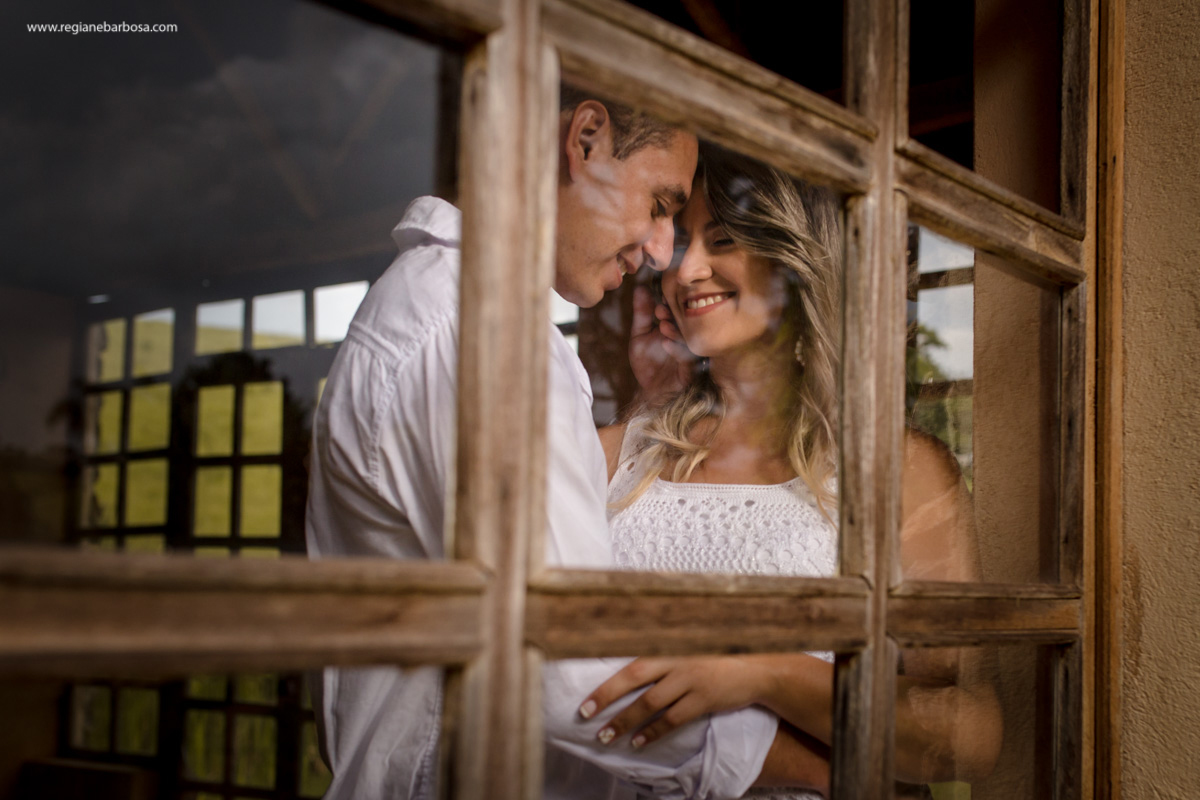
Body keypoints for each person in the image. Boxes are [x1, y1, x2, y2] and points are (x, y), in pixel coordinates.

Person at [306, 94, 814, 800]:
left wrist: (657, 406)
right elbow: (568, 671)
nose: (663, 255)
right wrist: (829, 766)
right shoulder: (476, 329)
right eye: (662, 205)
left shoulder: (455, 311)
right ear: (585, 140)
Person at [577, 145, 1004, 797]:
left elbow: (971, 738)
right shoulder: (614, 454)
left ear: (796, 259)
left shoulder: (900, 471)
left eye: (722, 240)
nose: (686, 269)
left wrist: (765, 671)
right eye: (680, 243)